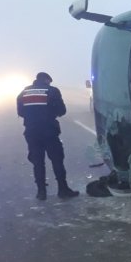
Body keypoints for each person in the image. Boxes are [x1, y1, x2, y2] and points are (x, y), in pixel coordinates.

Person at [17, 72, 79, 201]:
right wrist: (49, 114)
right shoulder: (52, 91)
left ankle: (41, 192)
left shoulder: (23, 93)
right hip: (49, 131)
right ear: (46, 80)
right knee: (57, 160)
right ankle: (63, 189)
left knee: (38, 162)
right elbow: (62, 111)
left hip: (32, 132)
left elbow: (21, 112)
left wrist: (33, 117)